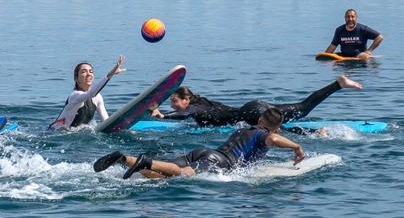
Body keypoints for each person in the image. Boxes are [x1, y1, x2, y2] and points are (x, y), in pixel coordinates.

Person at [94, 108, 304, 179]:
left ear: (259, 120)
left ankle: (124, 159)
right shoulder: (263, 134)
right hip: (220, 162)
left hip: (204, 152)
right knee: (183, 174)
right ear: (274, 127)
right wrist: (296, 146)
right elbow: (273, 139)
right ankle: (145, 161)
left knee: (163, 177)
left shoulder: (245, 129)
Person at [150, 75, 363, 127]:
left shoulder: (195, 107)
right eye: (171, 104)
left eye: (175, 102)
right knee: (302, 108)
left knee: (273, 130)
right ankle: (338, 84)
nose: (173, 105)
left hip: (252, 113)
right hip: (254, 106)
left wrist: (163, 116)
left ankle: (316, 133)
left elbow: (185, 114)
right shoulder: (203, 101)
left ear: (186, 98)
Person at [50, 55, 125, 130]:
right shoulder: (74, 96)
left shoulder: (98, 97)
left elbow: (106, 121)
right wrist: (111, 74)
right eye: (83, 72)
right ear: (76, 78)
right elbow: (91, 94)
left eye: (91, 71)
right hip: (54, 132)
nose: (89, 74)